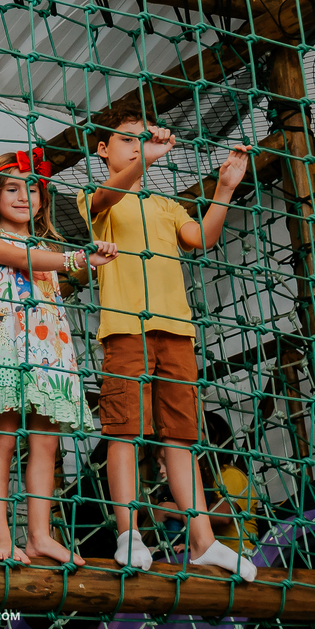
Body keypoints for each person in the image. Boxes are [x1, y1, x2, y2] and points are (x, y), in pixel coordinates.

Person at [77, 105, 256, 580]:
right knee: (124, 431)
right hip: (125, 330)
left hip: (177, 330)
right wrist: (149, 157)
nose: (136, 145)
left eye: (142, 138)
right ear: (103, 149)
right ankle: (127, 533)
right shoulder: (96, 198)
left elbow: (202, 237)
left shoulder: (166, 205)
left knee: (180, 436)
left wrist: (224, 188)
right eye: (126, 139)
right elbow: (107, 198)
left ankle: (204, 542)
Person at [0, 149, 118, 565]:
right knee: (4, 438)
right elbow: (23, 259)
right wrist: (77, 258)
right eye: (12, 188)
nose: (23, 196)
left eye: (32, 189)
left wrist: (90, 258)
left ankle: (39, 535)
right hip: (6, 352)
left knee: (47, 442)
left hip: (47, 353)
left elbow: (53, 263)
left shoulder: (47, 245)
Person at [155, 412, 259, 555]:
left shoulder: (229, 474)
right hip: (203, 553)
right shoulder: (192, 479)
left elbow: (223, 516)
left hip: (239, 554)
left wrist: (168, 509)